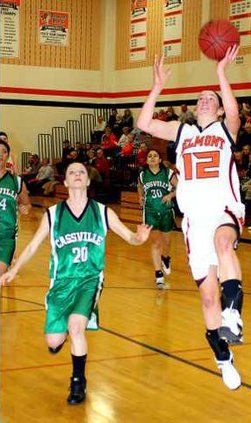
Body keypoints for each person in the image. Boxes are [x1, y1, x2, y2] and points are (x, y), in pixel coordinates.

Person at [0, 161, 151, 405]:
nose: (78, 175)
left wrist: (139, 238)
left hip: (90, 280)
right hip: (61, 282)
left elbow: (129, 237)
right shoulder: (53, 214)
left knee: (76, 327)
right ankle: (63, 339)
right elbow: (32, 246)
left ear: (88, 181)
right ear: (66, 182)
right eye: (72, 172)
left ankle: (78, 382)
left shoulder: (103, 212)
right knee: (53, 341)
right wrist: (14, 270)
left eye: (82, 172)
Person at [137, 47, 244, 390]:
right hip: (193, 222)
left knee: (224, 243)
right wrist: (156, 87)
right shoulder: (181, 131)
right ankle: (222, 355)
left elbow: (234, 111)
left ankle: (234, 314)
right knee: (208, 298)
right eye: (200, 97)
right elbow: (143, 123)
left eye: (210, 96)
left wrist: (222, 76)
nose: (204, 99)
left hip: (224, 209)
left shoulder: (227, 130)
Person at [137, 149, 177, 289]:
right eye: (150, 156)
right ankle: (158, 274)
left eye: (155, 156)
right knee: (155, 243)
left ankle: (165, 258)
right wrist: (141, 196)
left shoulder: (168, 173)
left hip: (166, 211)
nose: (152, 158)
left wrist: (170, 195)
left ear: (160, 160)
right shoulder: (143, 175)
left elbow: (180, 187)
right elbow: (140, 187)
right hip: (150, 212)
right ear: (147, 161)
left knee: (166, 242)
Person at [0, 140, 31, 277]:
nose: (0, 154)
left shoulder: (16, 181)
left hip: (6, 237)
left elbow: (26, 203)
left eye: (4, 151)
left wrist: (25, 208)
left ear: (8, 156)